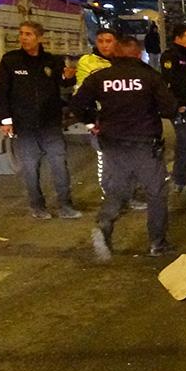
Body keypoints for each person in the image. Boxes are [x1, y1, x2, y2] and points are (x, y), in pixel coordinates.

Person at [68, 34, 177, 260]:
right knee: (156, 192)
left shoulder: (100, 77)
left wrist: (92, 123)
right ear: (138, 54)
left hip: (113, 143)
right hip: (144, 144)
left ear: (116, 53)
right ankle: (157, 243)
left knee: (118, 189)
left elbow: (77, 104)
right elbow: (170, 109)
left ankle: (104, 224)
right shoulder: (150, 76)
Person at [0, 20, 81, 219]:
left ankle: (65, 205)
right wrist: (5, 120)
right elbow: (2, 92)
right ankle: (37, 206)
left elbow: (63, 82)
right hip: (24, 124)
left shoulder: (52, 60)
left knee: (59, 164)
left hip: (50, 123)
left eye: (28, 34)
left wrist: (69, 77)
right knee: (30, 167)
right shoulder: (11, 60)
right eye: (21, 33)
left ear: (40, 37)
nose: (23, 38)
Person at [159, 24, 186, 195]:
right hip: (180, 106)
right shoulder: (170, 56)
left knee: (185, 143)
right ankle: (183, 181)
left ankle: (180, 178)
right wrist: (176, 105)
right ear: (178, 38)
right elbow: (169, 81)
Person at [75, 29, 116, 200]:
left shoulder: (122, 60)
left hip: (122, 118)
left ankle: (127, 194)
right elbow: (80, 95)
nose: (104, 45)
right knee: (105, 160)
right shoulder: (87, 61)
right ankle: (111, 197)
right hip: (101, 119)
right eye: (101, 41)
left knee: (125, 160)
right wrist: (90, 122)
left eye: (108, 41)